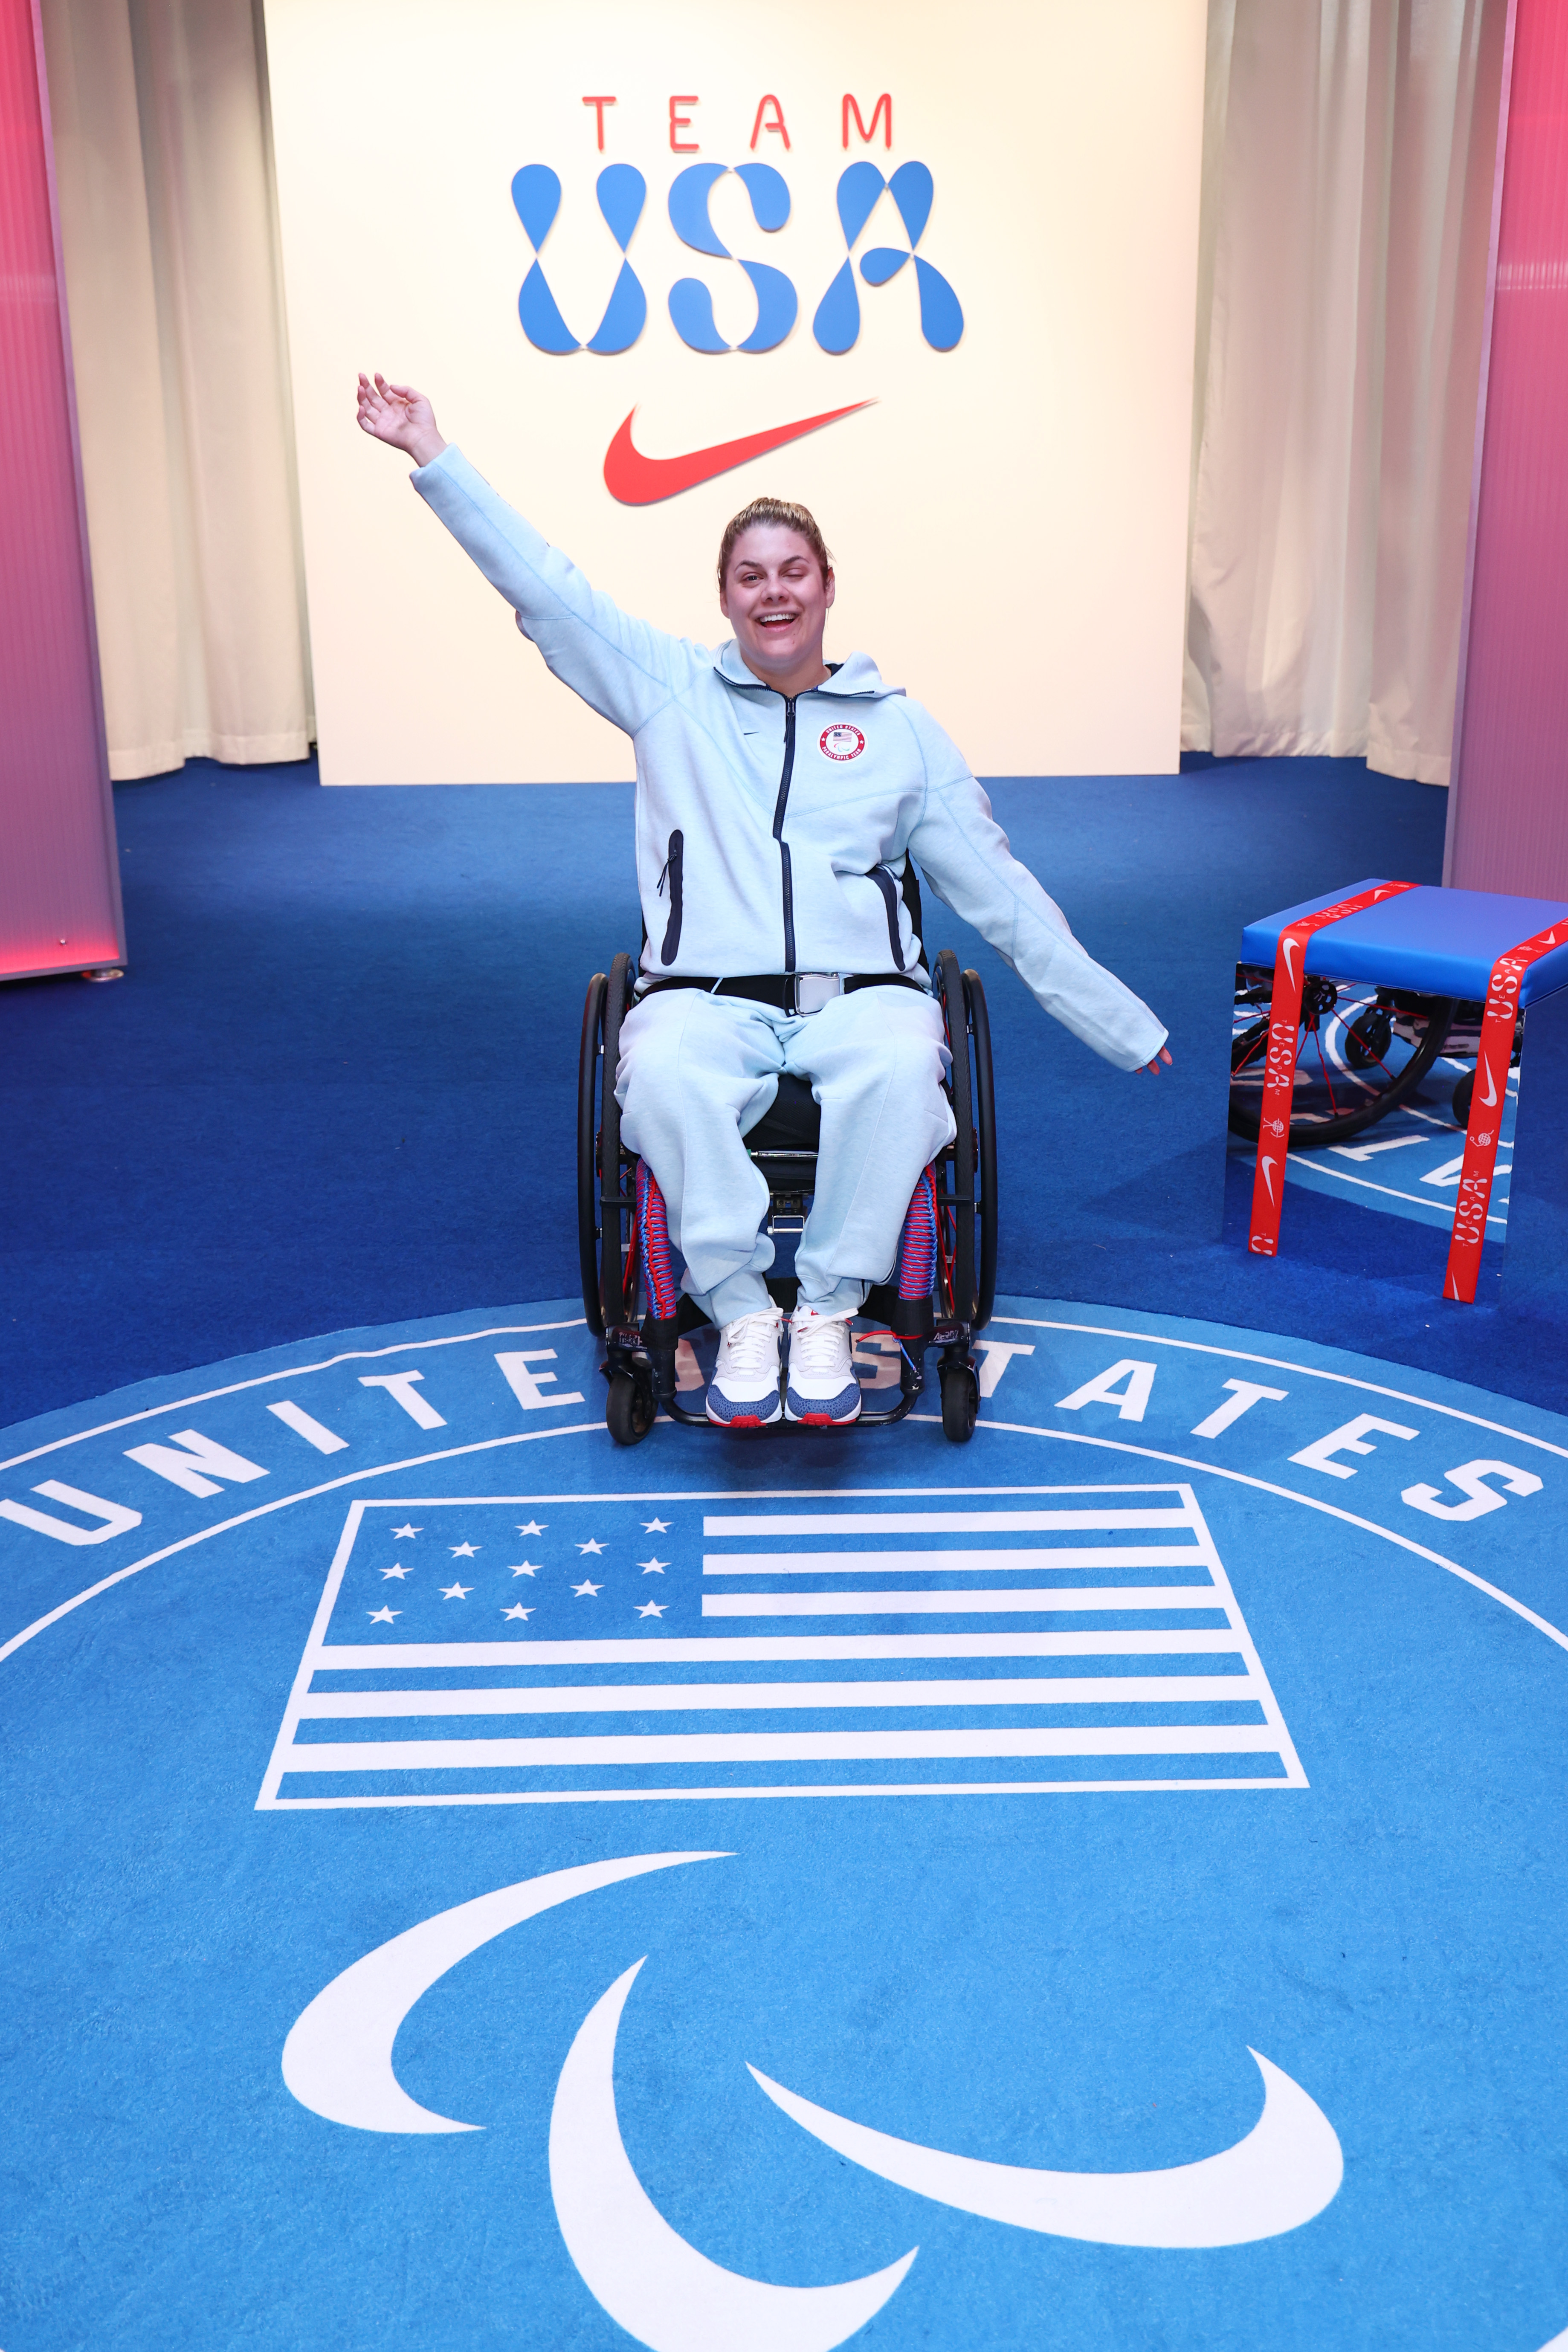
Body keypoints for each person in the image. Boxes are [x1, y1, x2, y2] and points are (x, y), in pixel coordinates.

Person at [356, 372, 1172, 1429]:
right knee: (658, 1072)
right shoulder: (666, 691)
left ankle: (829, 1309)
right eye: (751, 577)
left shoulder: (900, 729)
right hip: (704, 994)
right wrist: (434, 453)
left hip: (862, 994)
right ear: (726, 596)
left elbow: (1001, 891)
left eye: (794, 572)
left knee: (898, 1066)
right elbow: (545, 589)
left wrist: (1118, 1020)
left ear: (829, 585)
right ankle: (741, 1310)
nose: (773, 592)